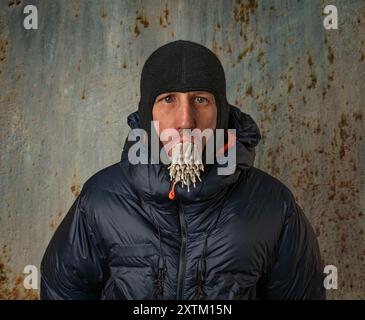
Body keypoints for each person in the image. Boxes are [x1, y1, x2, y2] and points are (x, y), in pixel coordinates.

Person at [40, 40, 326, 300]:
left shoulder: (274, 205)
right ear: (146, 114)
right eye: (168, 100)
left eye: (201, 99)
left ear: (222, 113)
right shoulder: (100, 199)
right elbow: (62, 289)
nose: (186, 120)